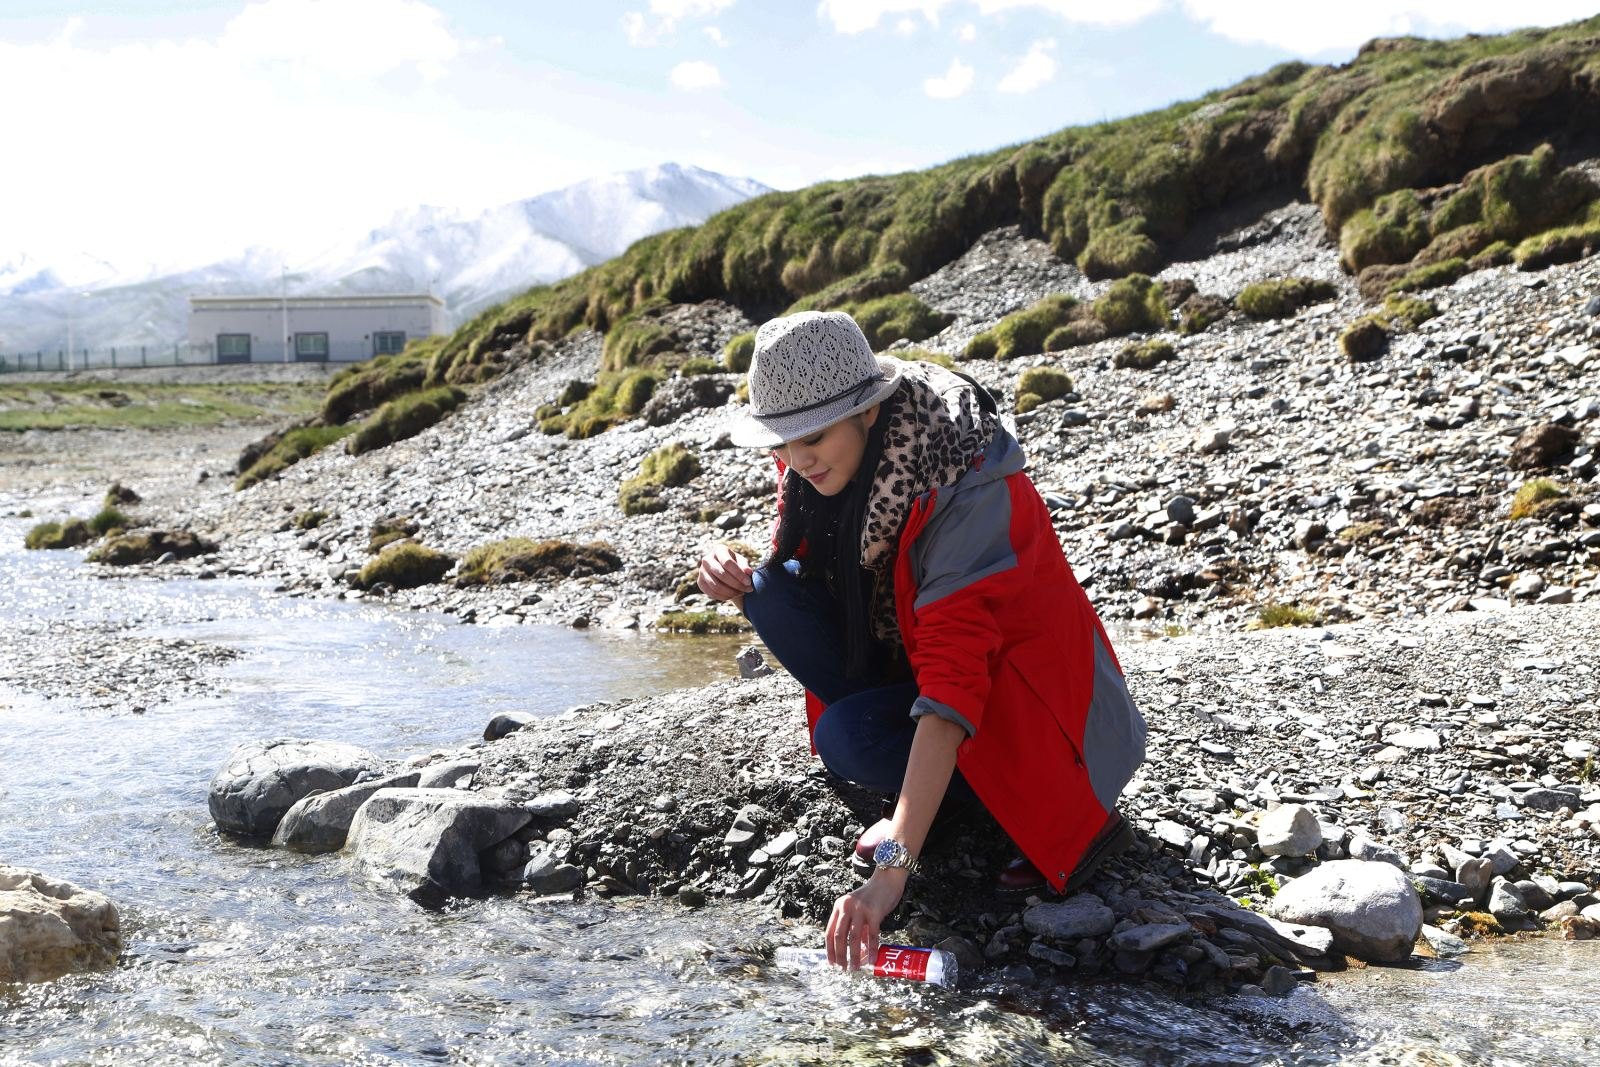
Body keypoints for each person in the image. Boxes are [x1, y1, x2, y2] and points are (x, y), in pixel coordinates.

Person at [697, 310, 1146, 973]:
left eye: (811, 437)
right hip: (940, 666)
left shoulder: (961, 481)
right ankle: (934, 799)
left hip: (1043, 715)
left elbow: (954, 679)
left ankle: (1032, 807)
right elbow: (806, 568)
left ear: (868, 412)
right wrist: (727, 571)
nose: (796, 460)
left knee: (851, 738)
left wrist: (892, 869)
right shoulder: (825, 460)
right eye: (781, 442)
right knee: (767, 590)